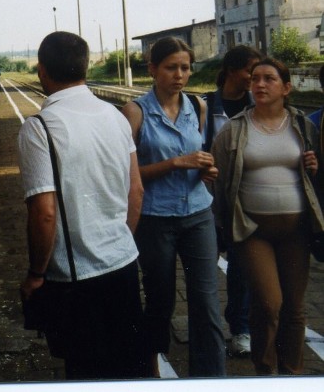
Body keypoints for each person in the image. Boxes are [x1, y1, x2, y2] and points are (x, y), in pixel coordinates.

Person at [18, 31, 149, 380]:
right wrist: (119, 240)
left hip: (75, 279)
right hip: (122, 264)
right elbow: (135, 192)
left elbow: (44, 213)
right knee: (129, 369)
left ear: (42, 71)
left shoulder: (39, 127)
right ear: (86, 67)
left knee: (86, 372)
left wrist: (35, 274)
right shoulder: (116, 117)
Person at [120, 37, 226, 377]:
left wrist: (205, 169)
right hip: (155, 219)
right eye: (170, 68)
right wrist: (176, 163)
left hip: (197, 214)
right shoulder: (135, 113)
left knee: (207, 303)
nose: (179, 75)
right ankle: (150, 373)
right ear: (152, 69)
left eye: (185, 67)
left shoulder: (199, 106)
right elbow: (127, 174)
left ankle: (211, 378)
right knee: (160, 301)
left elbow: (198, 156)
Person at [211, 58, 323, 375]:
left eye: (269, 79)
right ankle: (265, 371)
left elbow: (316, 181)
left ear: (286, 88)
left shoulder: (304, 127)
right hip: (252, 230)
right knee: (269, 303)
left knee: (294, 309)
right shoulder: (234, 130)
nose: (259, 84)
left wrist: (314, 169)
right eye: (255, 78)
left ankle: (292, 374)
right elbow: (219, 182)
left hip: (296, 230)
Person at [202, 45, 261, 357]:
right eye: (250, 72)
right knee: (204, 267)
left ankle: (240, 329)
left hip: (244, 200)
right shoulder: (204, 105)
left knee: (241, 268)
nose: (255, 79)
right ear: (232, 71)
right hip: (208, 202)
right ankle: (207, 329)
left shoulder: (258, 106)